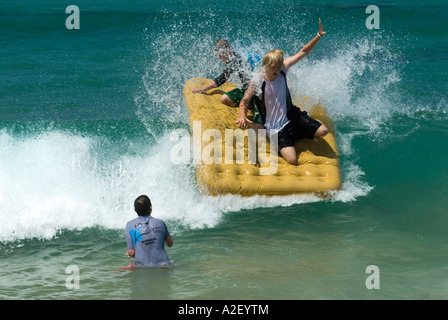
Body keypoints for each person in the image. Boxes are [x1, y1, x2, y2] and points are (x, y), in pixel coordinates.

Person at [235, 19, 329, 165]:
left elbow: (303, 52)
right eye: (274, 67)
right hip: (275, 126)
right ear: (266, 66)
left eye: (279, 66)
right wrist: (242, 116)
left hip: (292, 116)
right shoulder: (258, 80)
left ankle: (305, 126)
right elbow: (245, 100)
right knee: (292, 160)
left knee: (324, 132)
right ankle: (293, 136)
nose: (277, 70)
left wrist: (319, 35)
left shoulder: (282, 69)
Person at [192, 39, 256, 108]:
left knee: (225, 98)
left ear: (228, 49)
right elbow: (223, 78)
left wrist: (243, 109)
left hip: (256, 94)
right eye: (217, 55)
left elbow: (221, 79)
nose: (219, 58)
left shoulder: (238, 61)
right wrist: (202, 89)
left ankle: (252, 106)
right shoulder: (239, 56)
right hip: (261, 89)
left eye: (220, 55)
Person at [125, 195, 173, 268]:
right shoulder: (160, 222)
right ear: (150, 208)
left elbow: (131, 253)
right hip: (163, 264)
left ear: (135, 209)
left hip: (143, 266)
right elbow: (170, 244)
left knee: (123, 269)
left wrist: (130, 253)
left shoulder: (130, 225)